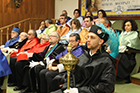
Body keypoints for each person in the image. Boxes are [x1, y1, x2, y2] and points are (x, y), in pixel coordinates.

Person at [51, 25, 116, 93]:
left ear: (100, 42)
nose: (88, 40)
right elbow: (72, 75)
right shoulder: (84, 56)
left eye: (92, 38)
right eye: (88, 37)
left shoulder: (106, 61)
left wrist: (79, 91)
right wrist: (68, 87)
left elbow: (106, 86)